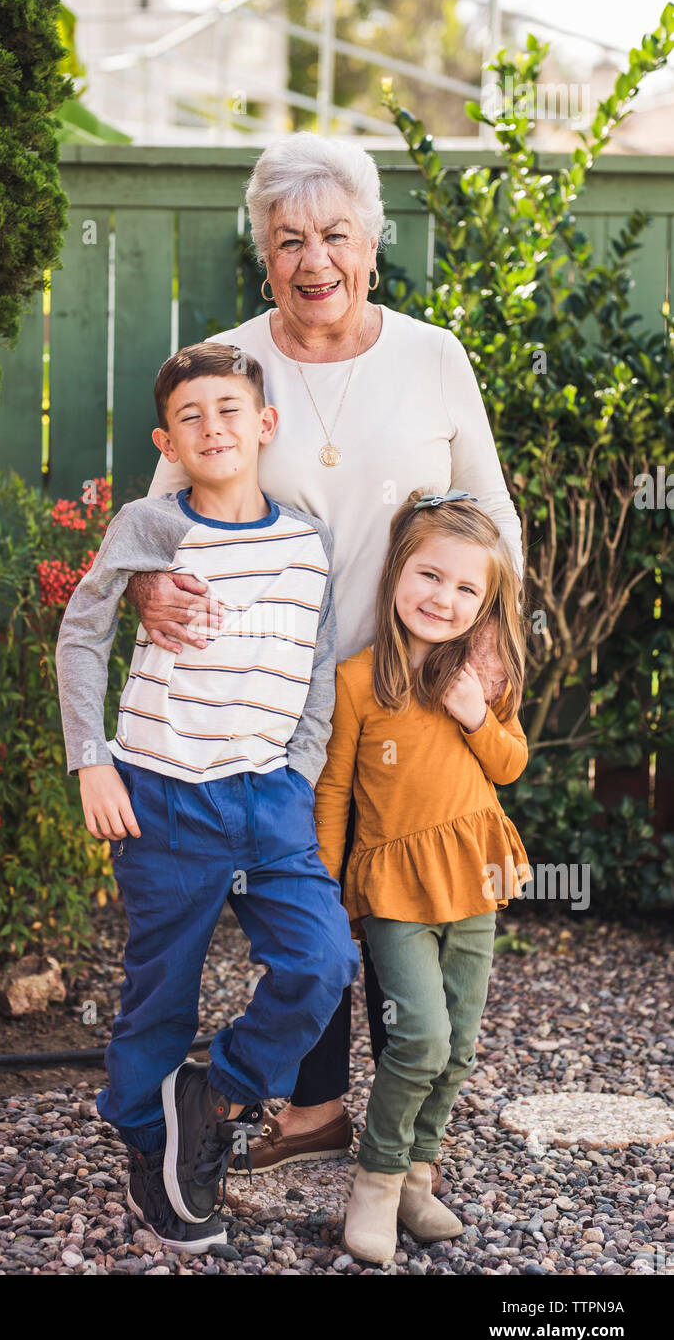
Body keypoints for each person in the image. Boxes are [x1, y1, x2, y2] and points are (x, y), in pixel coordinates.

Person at [125, 131, 523, 1183]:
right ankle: (310, 1117)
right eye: (290, 237)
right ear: (262, 250)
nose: (315, 261)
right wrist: (147, 585)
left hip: (413, 696)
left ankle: (402, 1146)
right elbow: (156, 520)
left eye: (335, 235)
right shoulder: (227, 361)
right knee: (311, 899)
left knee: (405, 897)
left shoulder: (433, 356)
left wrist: (482, 642)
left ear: (372, 241)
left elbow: (491, 511)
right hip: (269, 700)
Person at [54, 339, 359, 1252]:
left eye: (229, 411)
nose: (211, 428)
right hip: (161, 797)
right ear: (167, 439)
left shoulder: (308, 538)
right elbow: (81, 637)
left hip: (268, 801)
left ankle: (212, 1093)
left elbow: (316, 673)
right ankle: (154, 1154)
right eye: (190, 417)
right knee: (159, 996)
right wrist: (92, 761)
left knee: (322, 963)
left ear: (264, 424)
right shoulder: (151, 526)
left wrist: (295, 773)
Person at [310, 489, 529, 1265]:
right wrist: (328, 894)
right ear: (397, 571)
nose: (444, 599)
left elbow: (508, 763)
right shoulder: (358, 680)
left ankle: (416, 1175)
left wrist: (476, 714)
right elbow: (333, 792)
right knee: (418, 1038)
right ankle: (373, 1179)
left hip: (472, 878)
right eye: (429, 576)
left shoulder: (475, 674)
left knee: (460, 1043)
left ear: (485, 601)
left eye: (466, 588)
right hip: (395, 888)